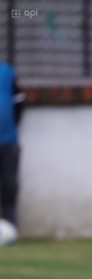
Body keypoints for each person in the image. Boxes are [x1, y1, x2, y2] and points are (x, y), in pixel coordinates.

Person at [0, 62, 23, 232]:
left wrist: (10, 127)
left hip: (8, 141)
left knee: (9, 187)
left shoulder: (7, 73)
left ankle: (9, 230)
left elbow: (19, 102)